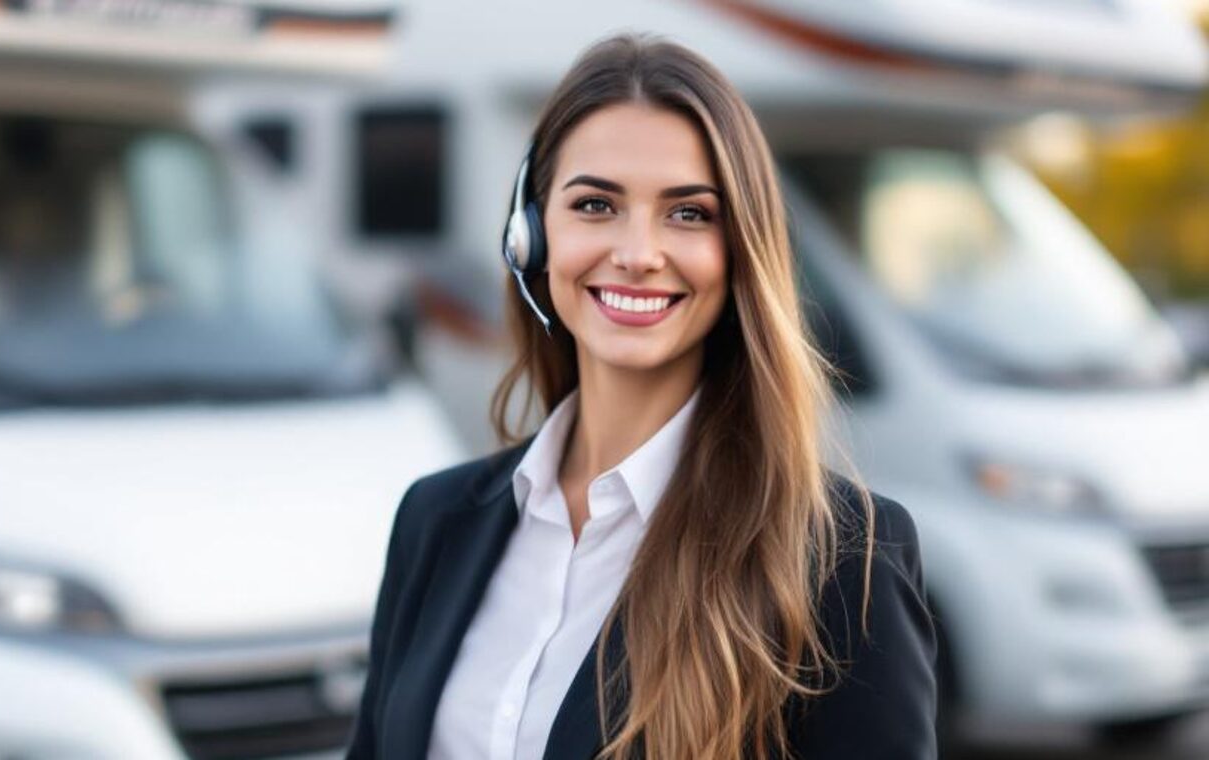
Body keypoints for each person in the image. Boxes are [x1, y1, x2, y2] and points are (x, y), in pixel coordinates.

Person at [346, 33, 938, 760]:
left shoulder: (841, 558)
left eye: (688, 213)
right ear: (530, 236)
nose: (637, 252)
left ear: (741, 250)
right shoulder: (435, 522)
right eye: (595, 204)